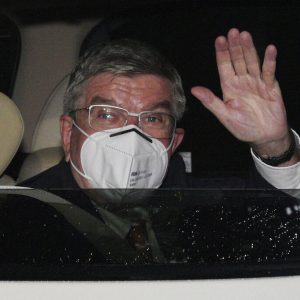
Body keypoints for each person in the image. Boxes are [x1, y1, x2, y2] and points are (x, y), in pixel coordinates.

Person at [1, 28, 300, 265]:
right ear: (68, 133)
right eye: (107, 114)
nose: (131, 134)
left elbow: (281, 227)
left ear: (173, 143)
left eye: (153, 117)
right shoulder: (20, 221)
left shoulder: (199, 204)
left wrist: (274, 146)